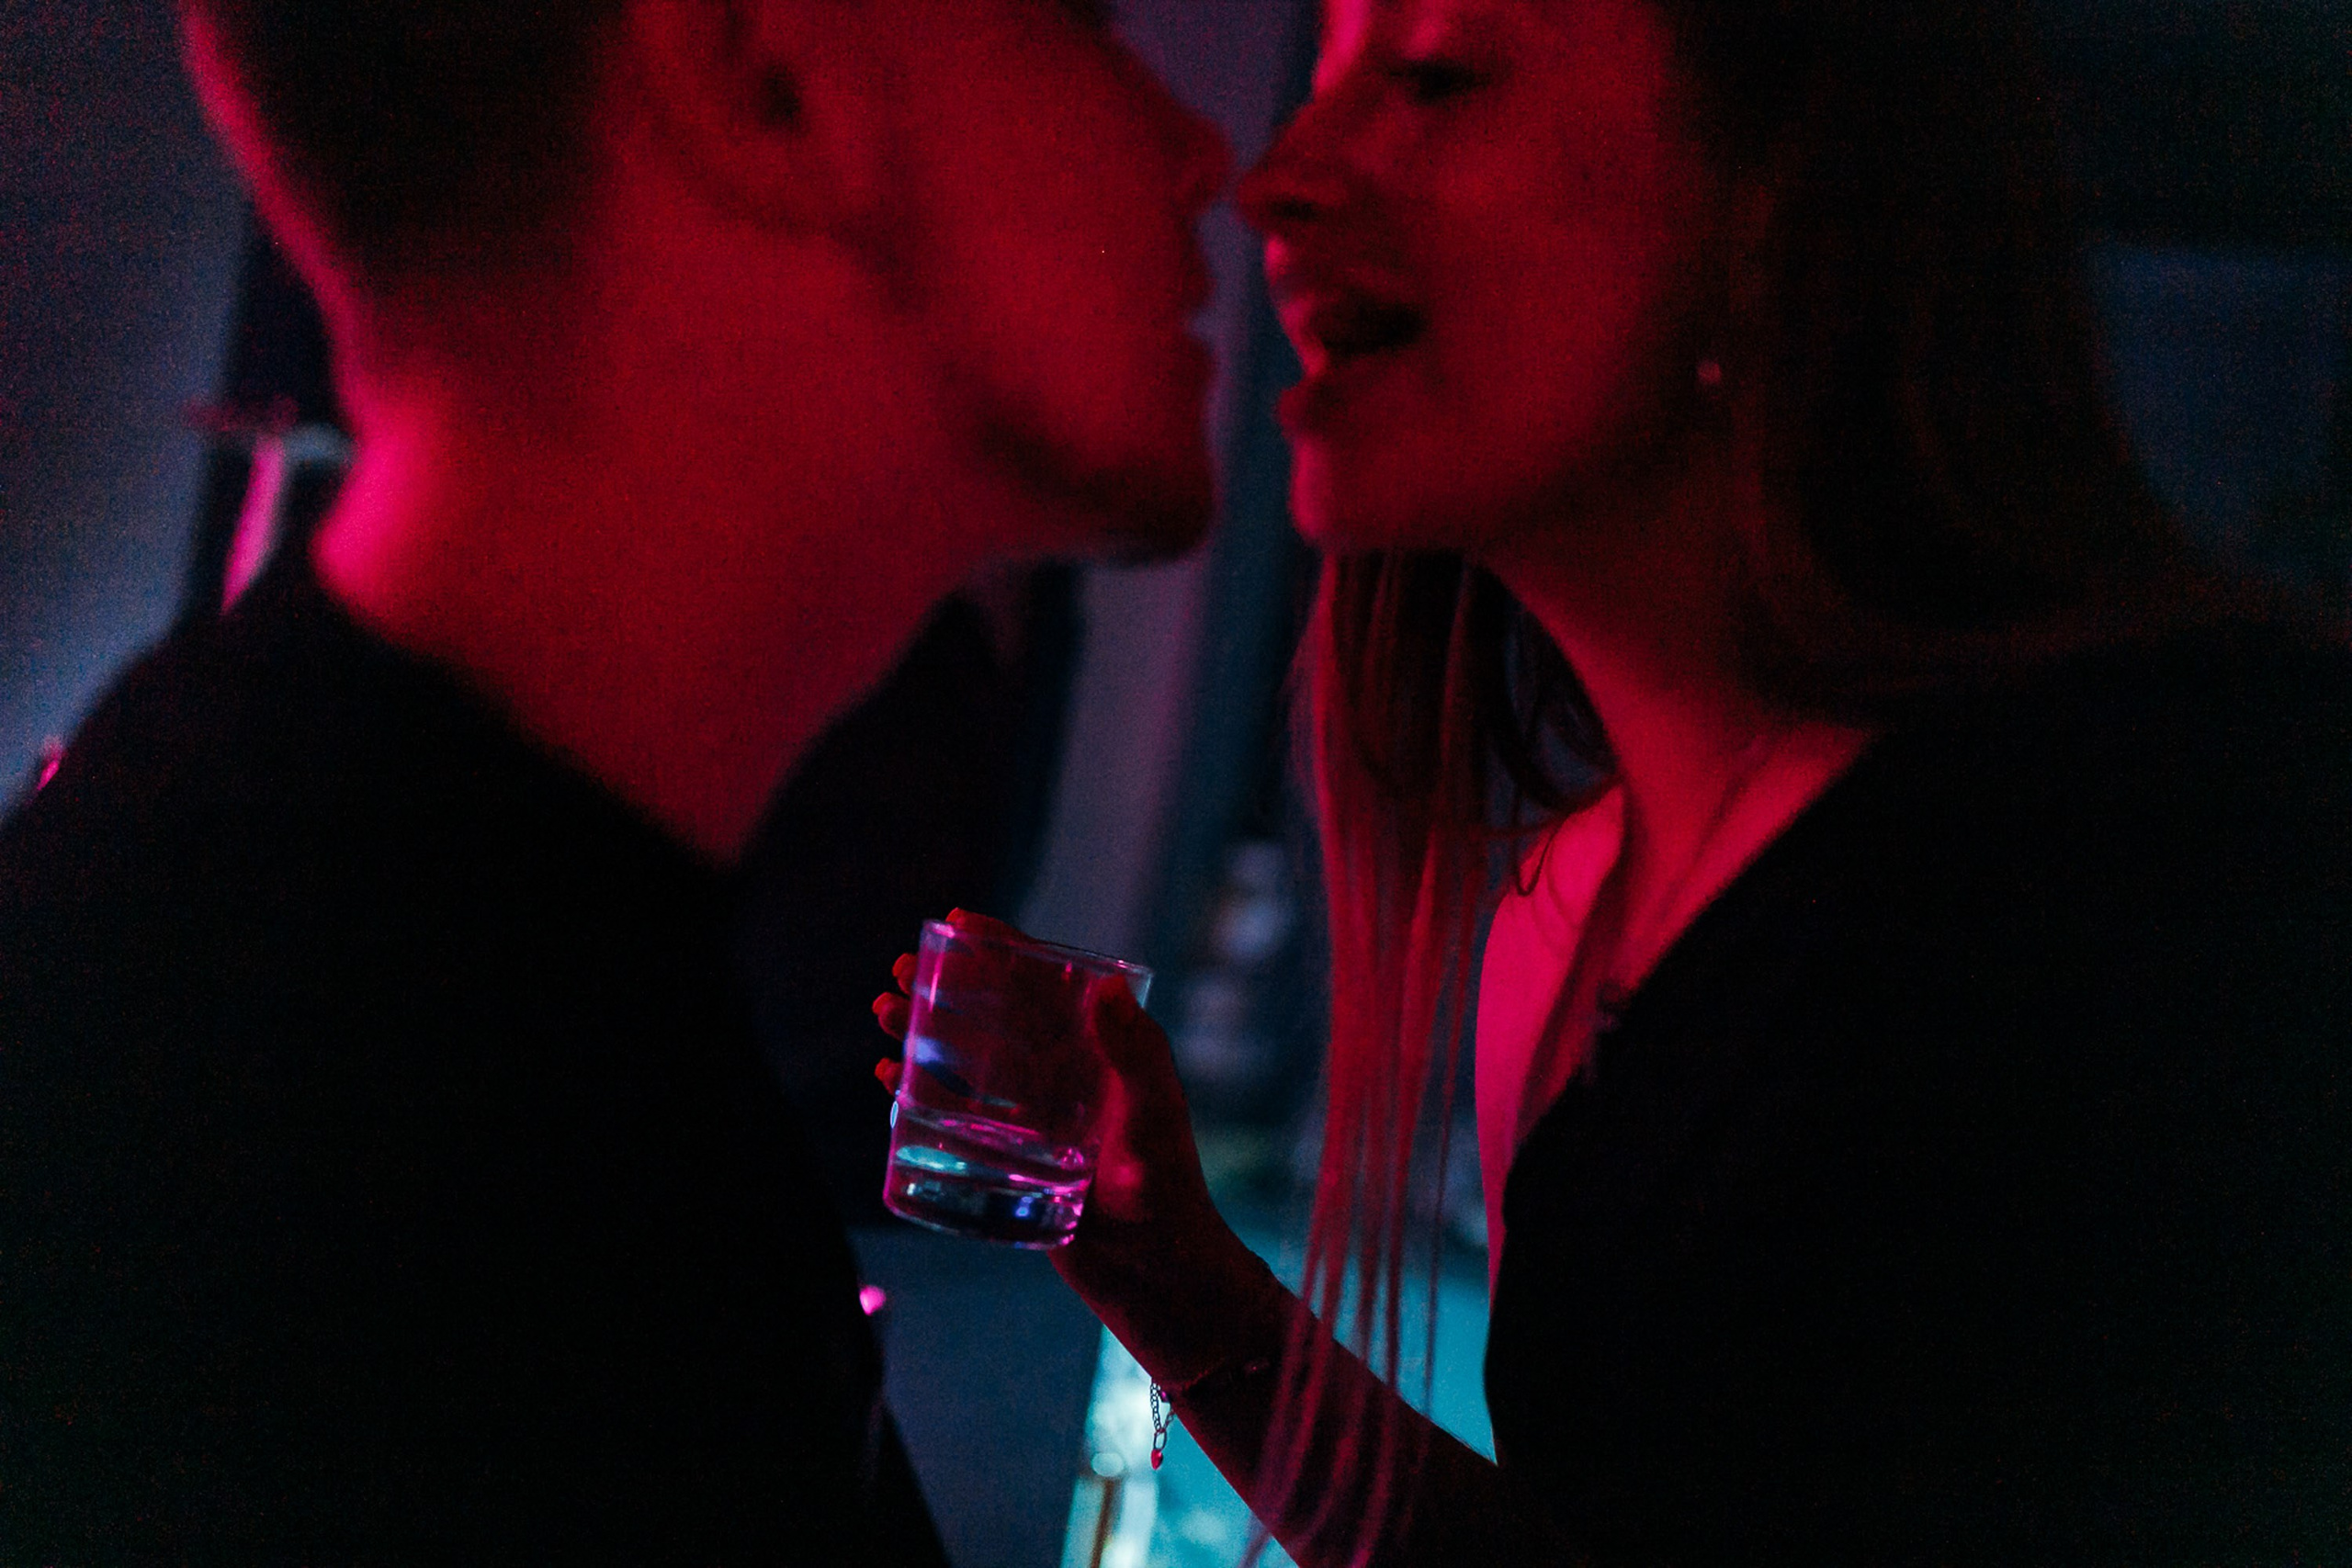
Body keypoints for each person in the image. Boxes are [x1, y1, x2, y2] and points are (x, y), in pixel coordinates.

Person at [881, 0, 2352, 1561]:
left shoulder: (2201, 836)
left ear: (1778, 194)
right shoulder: (1572, 915)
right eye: (1320, 90)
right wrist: (1171, 1274)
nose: (1276, 181)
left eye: (1436, 79)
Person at [0, 0, 1227, 1558]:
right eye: (1075, 26)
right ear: (758, 78)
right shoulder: (284, 1131)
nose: (1202, 153)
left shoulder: (432, 995)